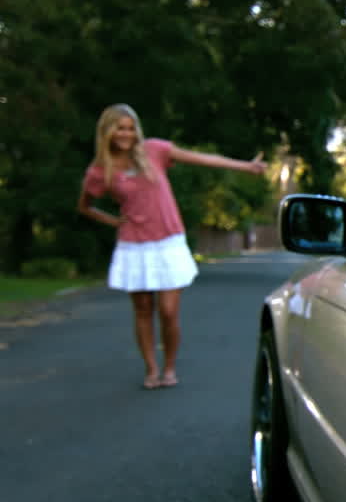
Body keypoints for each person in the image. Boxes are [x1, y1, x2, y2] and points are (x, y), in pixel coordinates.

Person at [77, 103, 269, 388]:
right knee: (143, 310)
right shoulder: (99, 170)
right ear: (107, 132)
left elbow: (201, 159)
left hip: (168, 243)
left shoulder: (154, 150)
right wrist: (115, 221)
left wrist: (245, 166)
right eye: (119, 128)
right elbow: (85, 206)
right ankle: (151, 369)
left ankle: (169, 367)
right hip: (134, 246)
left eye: (130, 128)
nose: (126, 134)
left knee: (168, 311)